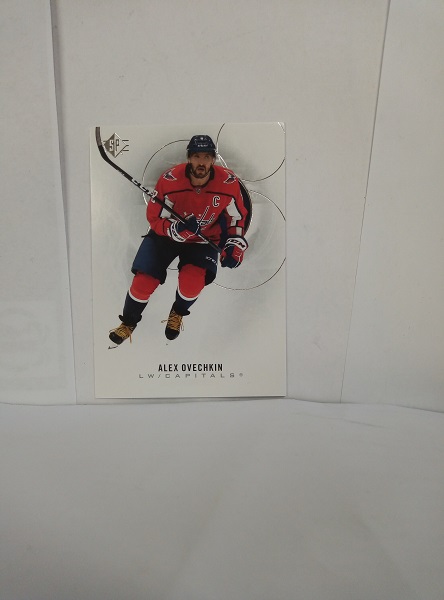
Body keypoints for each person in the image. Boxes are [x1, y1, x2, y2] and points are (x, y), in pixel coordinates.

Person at [109, 134, 250, 345]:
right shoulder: (170, 180)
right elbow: (155, 218)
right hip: (165, 237)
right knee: (143, 282)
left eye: (206, 157)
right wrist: (176, 229)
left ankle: (178, 311)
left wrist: (234, 244)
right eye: (196, 156)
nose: (201, 162)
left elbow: (237, 217)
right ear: (189, 158)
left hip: (203, 239)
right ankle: (128, 322)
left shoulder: (228, 183)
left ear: (213, 159)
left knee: (192, 283)